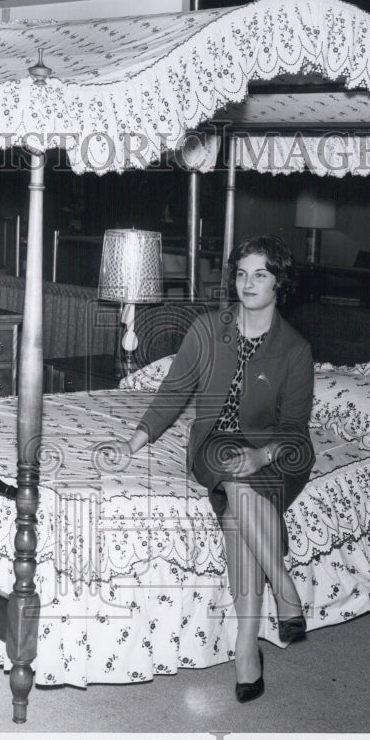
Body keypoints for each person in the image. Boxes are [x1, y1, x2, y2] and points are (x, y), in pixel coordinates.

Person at [99, 234, 315, 704]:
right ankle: (284, 588)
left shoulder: (295, 349)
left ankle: (246, 650)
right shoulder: (205, 329)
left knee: (239, 507)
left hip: (277, 453)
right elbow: (173, 393)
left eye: (260, 274)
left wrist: (262, 455)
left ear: (280, 283)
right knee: (233, 471)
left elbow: (296, 428)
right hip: (214, 444)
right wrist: (133, 443)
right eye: (241, 273)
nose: (247, 283)